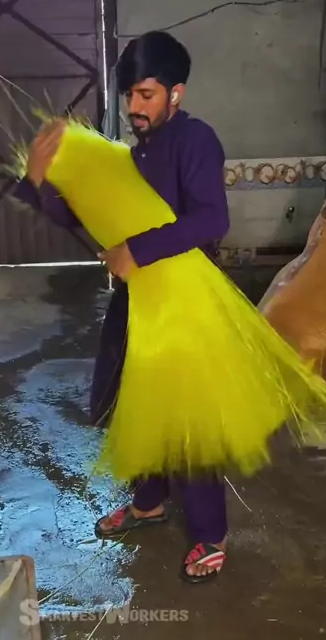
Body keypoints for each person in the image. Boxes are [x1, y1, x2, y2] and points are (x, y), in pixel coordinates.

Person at [14, 31, 230, 584]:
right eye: (129, 95)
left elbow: (211, 219)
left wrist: (136, 250)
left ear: (176, 93)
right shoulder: (134, 156)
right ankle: (149, 503)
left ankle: (211, 532)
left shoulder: (195, 141)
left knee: (185, 419)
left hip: (185, 304)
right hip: (137, 300)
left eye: (147, 95)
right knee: (131, 401)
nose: (135, 106)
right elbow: (83, 216)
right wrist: (39, 180)